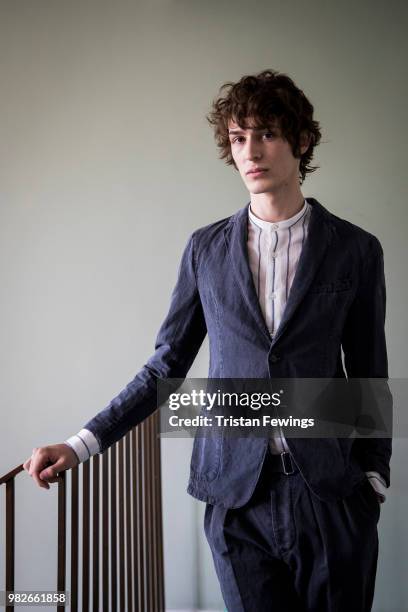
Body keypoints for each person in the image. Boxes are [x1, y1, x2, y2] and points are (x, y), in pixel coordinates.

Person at [24, 69, 391, 611]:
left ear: (302, 140)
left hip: (330, 496)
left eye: (265, 133)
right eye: (239, 138)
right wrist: (81, 444)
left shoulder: (356, 250)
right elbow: (164, 365)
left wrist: (373, 478)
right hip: (237, 497)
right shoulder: (205, 250)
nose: (250, 152)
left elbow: (368, 371)